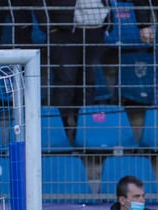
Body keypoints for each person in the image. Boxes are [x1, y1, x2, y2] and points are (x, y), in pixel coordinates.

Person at [42, 0, 111, 140]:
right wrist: (48, 25)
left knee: (88, 84)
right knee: (64, 83)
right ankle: (58, 134)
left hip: (96, 30)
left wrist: (108, 24)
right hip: (64, 31)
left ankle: (84, 133)